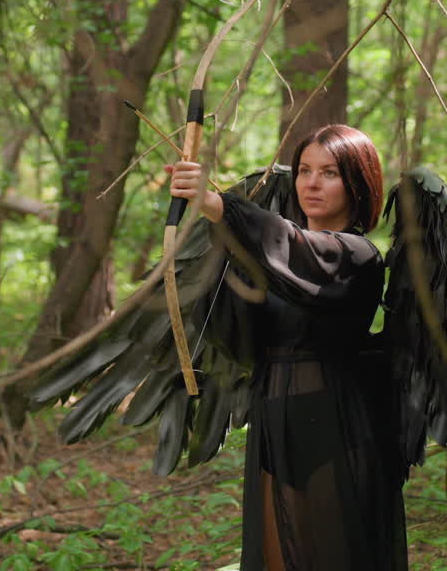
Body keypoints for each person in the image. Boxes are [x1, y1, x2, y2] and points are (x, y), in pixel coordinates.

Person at [165, 124, 405, 570]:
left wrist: (218, 204)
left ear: (358, 182)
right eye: (305, 171)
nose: (311, 183)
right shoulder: (279, 260)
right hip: (275, 427)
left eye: (329, 173)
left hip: (336, 430)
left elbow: (295, 248)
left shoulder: (357, 255)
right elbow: (240, 325)